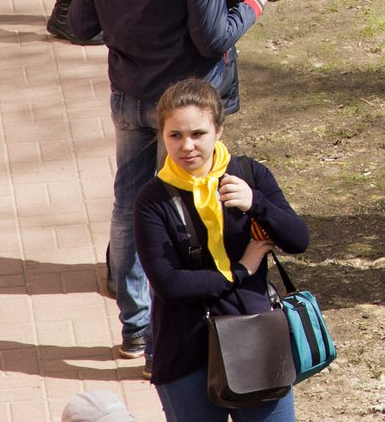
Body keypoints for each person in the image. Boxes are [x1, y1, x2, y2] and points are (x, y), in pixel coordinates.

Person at [64, 0, 282, 357]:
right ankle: (203, 313)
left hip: (130, 96)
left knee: (128, 204)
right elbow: (213, 38)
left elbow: (81, 25)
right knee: (197, 201)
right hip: (188, 107)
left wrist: (131, 30)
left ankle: (134, 327)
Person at [132, 76, 312, 422]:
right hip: (186, 351)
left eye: (198, 134)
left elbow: (298, 240)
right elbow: (169, 284)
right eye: (175, 135)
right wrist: (239, 271)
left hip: (256, 340)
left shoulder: (249, 175)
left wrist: (255, 204)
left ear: (218, 131)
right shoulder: (152, 201)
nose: (187, 146)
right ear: (162, 136)